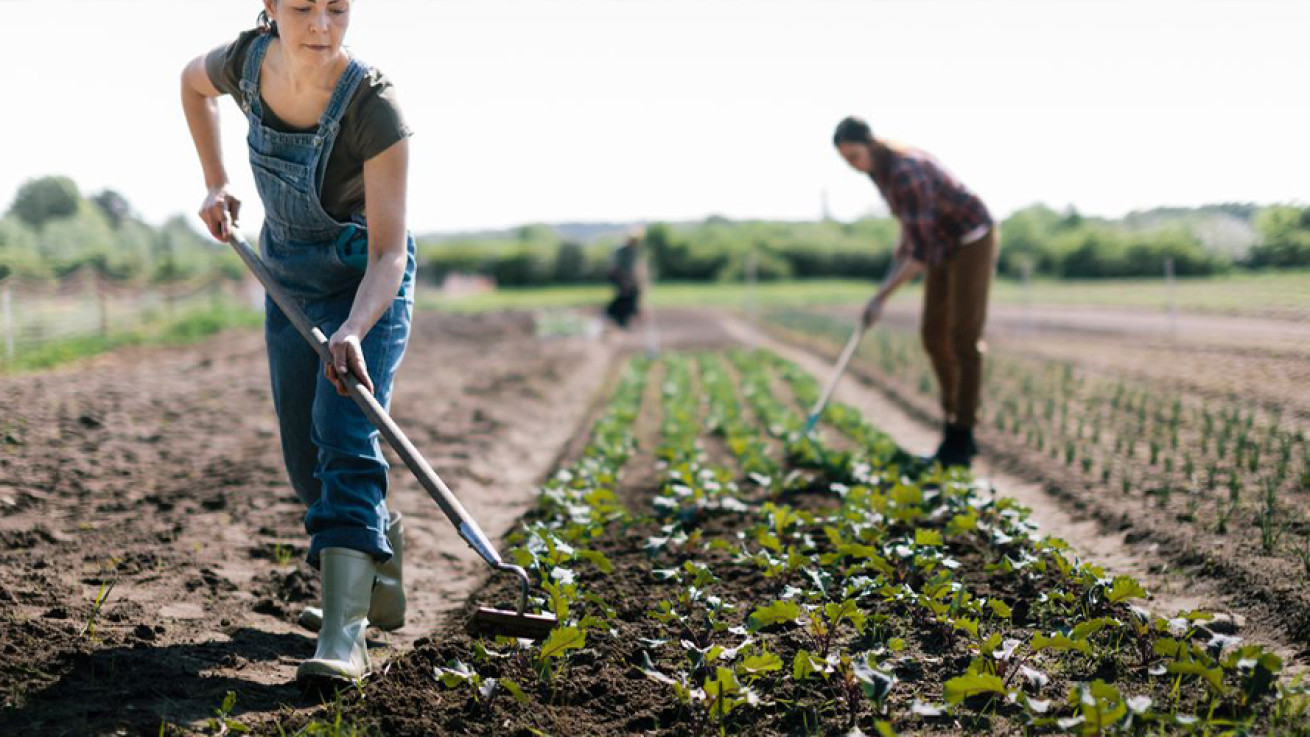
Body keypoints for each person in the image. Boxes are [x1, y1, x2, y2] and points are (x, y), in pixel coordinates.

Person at [181, 0, 414, 682]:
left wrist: (353, 328)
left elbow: (389, 255)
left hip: (362, 285)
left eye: (337, 8)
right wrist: (215, 181)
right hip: (287, 279)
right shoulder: (247, 63)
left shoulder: (376, 108)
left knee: (343, 431)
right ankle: (377, 568)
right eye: (304, 7)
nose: (321, 24)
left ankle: (346, 634)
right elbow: (191, 84)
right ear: (271, 7)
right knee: (304, 453)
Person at [833, 116, 997, 469]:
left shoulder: (907, 169)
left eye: (854, 156)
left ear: (871, 143)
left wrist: (880, 297)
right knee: (933, 336)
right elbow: (913, 228)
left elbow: (920, 256)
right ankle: (952, 417)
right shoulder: (878, 172)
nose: (852, 166)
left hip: (971, 239)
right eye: (846, 160)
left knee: (963, 337)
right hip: (940, 244)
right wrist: (899, 250)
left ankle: (962, 435)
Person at [604, 228, 646, 329]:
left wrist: (636, 280)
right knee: (626, 292)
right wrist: (625, 281)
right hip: (617, 275)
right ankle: (614, 314)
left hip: (627, 277)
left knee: (634, 292)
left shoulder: (634, 251)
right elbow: (616, 268)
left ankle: (628, 314)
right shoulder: (621, 251)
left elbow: (633, 268)